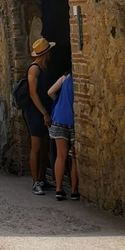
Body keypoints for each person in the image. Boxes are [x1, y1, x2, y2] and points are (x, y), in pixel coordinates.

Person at [25, 37, 56, 195]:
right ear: (46, 53)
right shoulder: (34, 69)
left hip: (45, 110)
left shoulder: (44, 68)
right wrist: (44, 113)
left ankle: (43, 178)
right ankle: (35, 181)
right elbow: (32, 93)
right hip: (36, 111)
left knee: (44, 146)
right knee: (36, 146)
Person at [48, 70, 79, 201]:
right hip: (73, 121)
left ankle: (59, 189)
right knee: (74, 157)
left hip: (59, 118)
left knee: (61, 156)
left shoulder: (65, 77)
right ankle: (74, 191)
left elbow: (50, 92)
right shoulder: (78, 81)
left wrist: (59, 100)